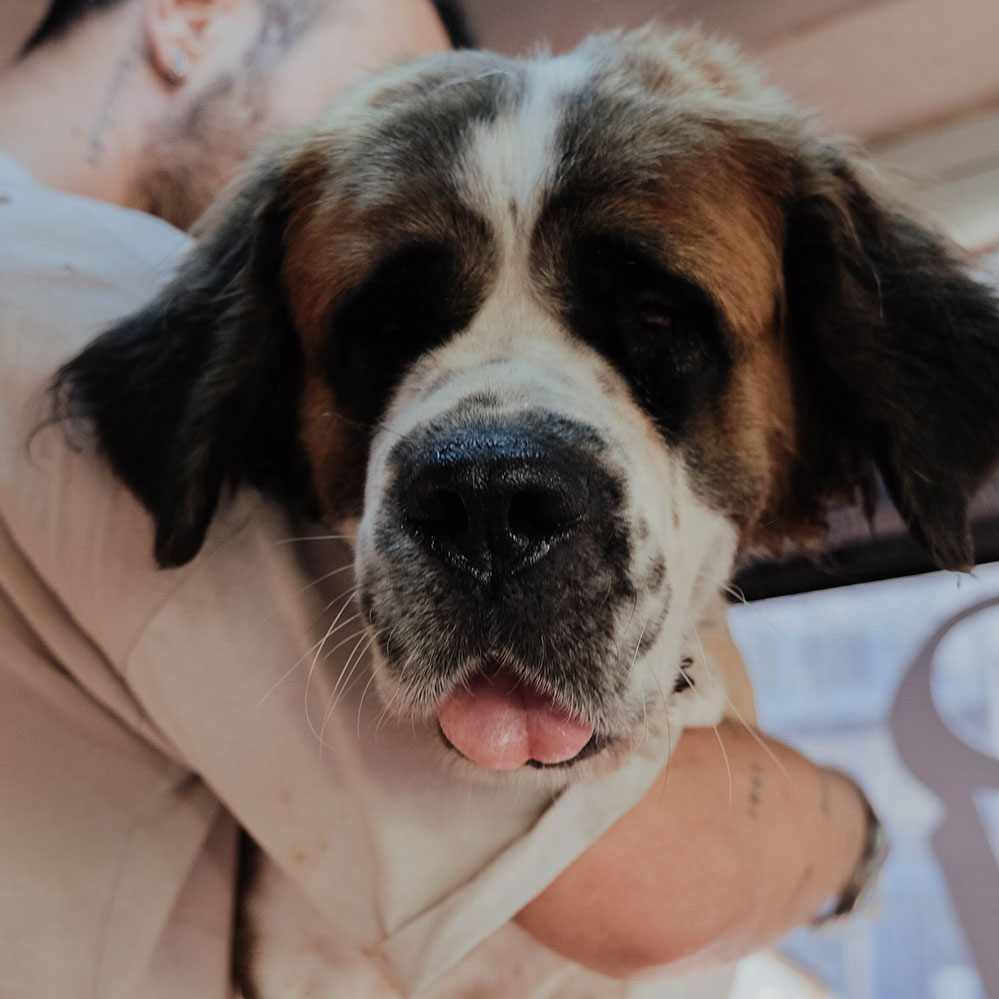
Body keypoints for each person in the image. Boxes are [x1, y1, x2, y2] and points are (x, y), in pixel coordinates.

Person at [0, 0, 881, 995]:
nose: (460, 97)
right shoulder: (72, 286)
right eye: (407, 72)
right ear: (195, 15)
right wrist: (854, 830)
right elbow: (652, 880)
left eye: (655, 320)